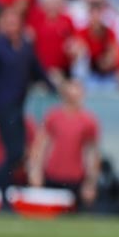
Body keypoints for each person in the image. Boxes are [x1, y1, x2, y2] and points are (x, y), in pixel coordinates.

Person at [0, 10, 60, 208]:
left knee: (16, 154)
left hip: (18, 107)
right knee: (13, 151)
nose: (11, 26)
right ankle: (3, 196)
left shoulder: (25, 47)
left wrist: (56, 89)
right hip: (2, 105)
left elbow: (38, 71)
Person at [28, 80, 100, 209]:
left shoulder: (88, 121)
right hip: (52, 175)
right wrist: (35, 171)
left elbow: (92, 153)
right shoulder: (53, 116)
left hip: (75, 178)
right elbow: (41, 145)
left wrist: (90, 183)